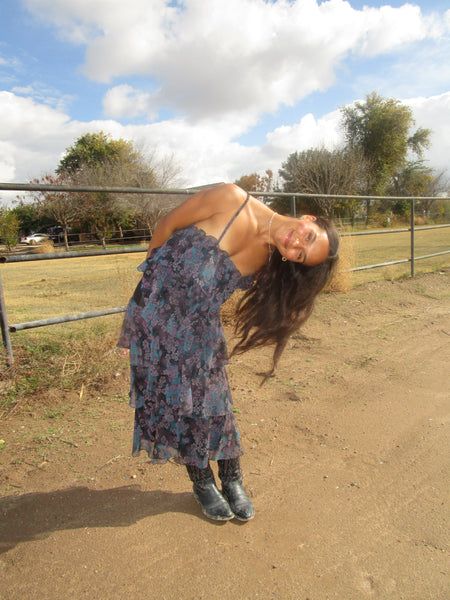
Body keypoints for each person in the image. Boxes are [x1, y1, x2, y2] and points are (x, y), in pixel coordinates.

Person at [117, 183, 339, 522]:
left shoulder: (270, 259)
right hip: (155, 317)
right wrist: (146, 286)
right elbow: (167, 225)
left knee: (216, 403)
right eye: (308, 238)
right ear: (309, 218)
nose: (296, 245)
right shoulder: (229, 198)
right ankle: (203, 482)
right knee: (179, 405)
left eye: (301, 256)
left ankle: (232, 478)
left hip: (199, 328)